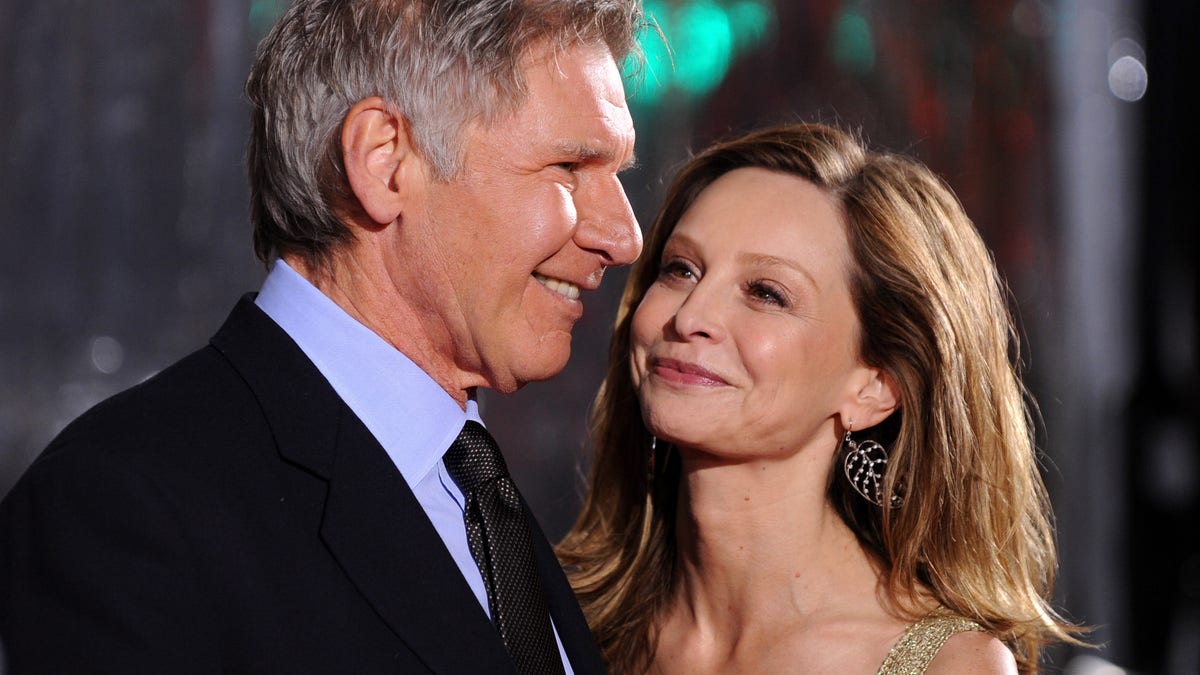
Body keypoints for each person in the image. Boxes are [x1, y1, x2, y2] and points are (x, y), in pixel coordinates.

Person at [0, 0, 644, 672]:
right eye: (569, 168)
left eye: (618, 176)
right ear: (385, 161)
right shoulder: (123, 510)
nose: (624, 236)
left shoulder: (478, 489)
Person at [557, 123, 1085, 674]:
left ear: (875, 387)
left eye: (766, 293)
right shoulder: (564, 620)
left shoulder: (946, 667)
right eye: (681, 269)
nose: (690, 317)